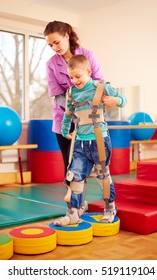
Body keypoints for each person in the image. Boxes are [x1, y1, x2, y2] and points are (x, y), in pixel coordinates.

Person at [53, 54, 127, 226]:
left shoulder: (100, 87)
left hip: (99, 140)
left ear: (88, 71)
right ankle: (73, 213)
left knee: (103, 176)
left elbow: (123, 100)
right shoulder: (71, 92)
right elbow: (68, 114)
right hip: (80, 141)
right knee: (76, 178)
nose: (74, 80)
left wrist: (114, 100)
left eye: (78, 76)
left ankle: (109, 208)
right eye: (71, 77)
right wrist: (65, 130)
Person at [44, 20, 104, 179]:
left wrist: (87, 106)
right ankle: (74, 202)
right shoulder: (51, 64)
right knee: (70, 163)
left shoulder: (88, 55)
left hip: (88, 117)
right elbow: (57, 95)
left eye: (56, 42)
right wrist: (73, 107)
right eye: (50, 45)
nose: (54, 47)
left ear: (66, 35)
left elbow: (99, 83)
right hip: (63, 118)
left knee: (89, 161)